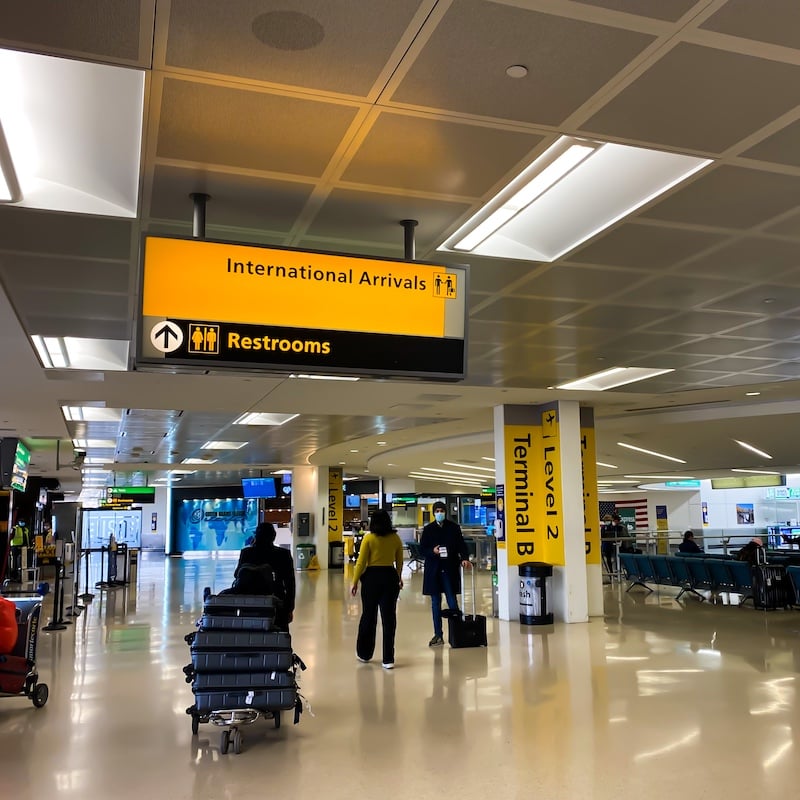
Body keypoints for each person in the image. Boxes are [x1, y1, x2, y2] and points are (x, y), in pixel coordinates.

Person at [350, 509, 404, 669]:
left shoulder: (369, 538)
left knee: (368, 616)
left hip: (371, 579)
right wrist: (399, 577)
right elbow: (399, 560)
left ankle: (365, 654)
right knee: (389, 619)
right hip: (389, 577)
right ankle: (388, 659)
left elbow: (361, 562)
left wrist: (354, 582)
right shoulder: (395, 538)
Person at [420, 501, 471, 647]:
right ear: (433, 513)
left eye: (442, 510)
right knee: (435, 603)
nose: (440, 513)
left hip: (449, 568)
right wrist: (432, 552)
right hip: (434, 569)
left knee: (452, 601)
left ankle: (457, 631)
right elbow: (423, 549)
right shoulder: (428, 529)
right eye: (437, 511)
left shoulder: (453, 528)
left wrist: (465, 558)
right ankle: (438, 634)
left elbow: (461, 544)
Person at [233, 522, 296, 629]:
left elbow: (237, 575)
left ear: (256, 536)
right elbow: (290, 585)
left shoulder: (246, 552)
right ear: (274, 537)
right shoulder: (283, 554)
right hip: (275, 602)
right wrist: (289, 609)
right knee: (279, 636)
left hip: (249, 604)